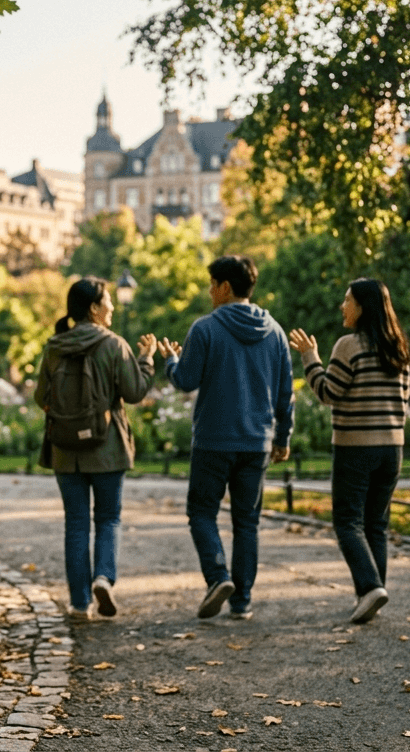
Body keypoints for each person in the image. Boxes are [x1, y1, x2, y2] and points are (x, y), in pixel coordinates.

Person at [159, 255, 293, 621]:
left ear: (225, 288)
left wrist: (171, 361)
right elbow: (285, 392)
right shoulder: (276, 332)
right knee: (246, 521)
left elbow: (185, 380)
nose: (208, 292)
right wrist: (283, 436)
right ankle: (242, 601)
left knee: (201, 512)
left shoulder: (205, 329)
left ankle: (218, 576)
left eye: (211, 285)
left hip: (213, 440)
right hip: (257, 443)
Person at [289, 278, 410, 624]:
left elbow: (329, 393)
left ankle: (370, 586)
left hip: (356, 447)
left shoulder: (349, 345)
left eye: (347, 300)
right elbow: (403, 401)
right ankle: (371, 593)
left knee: (347, 520)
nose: (343, 306)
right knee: (376, 524)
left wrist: (309, 357)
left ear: (363, 306)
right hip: (392, 449)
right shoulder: (398, 349)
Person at [34, 277, 157, 621]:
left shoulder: (54, 346)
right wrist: (146, 359)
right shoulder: (114, 345)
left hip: (65, 451)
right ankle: (103, 577)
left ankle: (78, 603)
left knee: (75, 523)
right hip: (108, 448)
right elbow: (134, 392)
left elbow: (40, 397)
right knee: (107, 518)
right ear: (94, 308)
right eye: (108, 301)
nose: (113, 307)